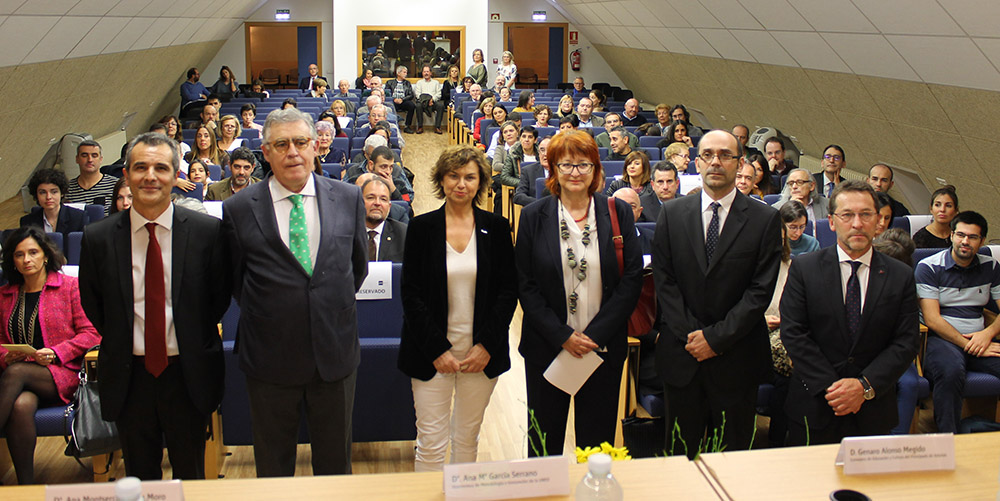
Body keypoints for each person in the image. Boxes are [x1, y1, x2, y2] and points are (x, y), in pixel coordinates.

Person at [222, 107, 368, 477]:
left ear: (316, 146)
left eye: (301, 142)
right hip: (269, 359)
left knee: (335, 465)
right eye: (281, 144)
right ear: (265, 152)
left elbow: (356, 268)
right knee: (273, 466)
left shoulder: (349, 197)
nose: (293, 152)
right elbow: (236, 279)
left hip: (334, 354)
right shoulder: (238, 208)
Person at [79, 132, 229, 480]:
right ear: (127, 175)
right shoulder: (98, 238)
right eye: (141, 167)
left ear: (176, 176)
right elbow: (94, 303)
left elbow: (218, 298)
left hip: (188, 372)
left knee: (190, 473)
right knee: (139, 475)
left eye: (161, 168)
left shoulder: (208, 232)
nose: (150, 176)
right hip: (129, 376)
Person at [652, 129, 781, 458]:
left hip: (735, 358)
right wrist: (693, 336)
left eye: (725, 155)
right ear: (697, 162)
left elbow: (759, 291)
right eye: (708, 154)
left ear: (739, 164)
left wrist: (716, 339)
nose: (716, 162)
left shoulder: (764, 219)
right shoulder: (673, 214)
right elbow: (664, 281)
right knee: (680, 457)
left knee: (732, 459)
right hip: (683, 355)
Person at [516, 130, 643, 457]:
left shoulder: (618, 213)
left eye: (583, 165)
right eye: (566, 165)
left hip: (601, 348)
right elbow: (525, 284)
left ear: (596, 170)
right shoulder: (533, 216)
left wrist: (594, 334)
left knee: (596, 444)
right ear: (553, 171)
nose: (575, 173)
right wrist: (563, 336)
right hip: (548, 347)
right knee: (544, 442)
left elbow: (631, 279)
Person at [399, 145, 516, 471]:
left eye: (469, 177)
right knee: (431, 444)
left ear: (480, 183)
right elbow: (411, 294)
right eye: (453, 176)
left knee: (466, 440)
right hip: (430, 354)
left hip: (481, 354)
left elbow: (508, 292)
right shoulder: (421, 229)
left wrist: (486, 346)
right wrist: (437, 349)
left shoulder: (496, 228)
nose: (461, 184)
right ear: (441, 179)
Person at [780, 180, 919, 444]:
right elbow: (794, 333)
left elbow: (906, 341)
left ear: (879, 221)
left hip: (872, 408)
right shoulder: (804, 269)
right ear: (831, 221)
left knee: (867, 486)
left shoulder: (900, 275)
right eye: (847, 215)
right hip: (815, 403)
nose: (857, 223)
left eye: (866, 214)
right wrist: (834, 388)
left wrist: (863, 387)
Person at [0, 227, 100, 484]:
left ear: (45, 255)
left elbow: (91, 333)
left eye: (33, 252)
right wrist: (6, 356)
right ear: (12, 260)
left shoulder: (69, 287)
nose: (26, 260)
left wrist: (56, 352)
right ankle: (26, 487)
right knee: (21, 406)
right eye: (19, 254)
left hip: (65, 373)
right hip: (20, 378)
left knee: (16, 372)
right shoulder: (5, 295)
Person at [916, 210, 1000, 434]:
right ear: (951, 235)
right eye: (960, 235)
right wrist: (968, 344)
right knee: (951, 370)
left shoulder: (991, 267)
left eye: (972, 237)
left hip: (980, 339)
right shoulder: (929, 267)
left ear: (981, 241)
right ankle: (949, 438)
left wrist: (987, 334)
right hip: (940, 340)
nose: (965, 241)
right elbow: (932, 319)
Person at [21, 169, 87, 238]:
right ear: (36, 195)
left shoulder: (79, 218)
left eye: (54, 192)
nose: (48, 197)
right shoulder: (27, 221)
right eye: (43, 192)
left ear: (62, 193)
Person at [360, 176, 406, 263]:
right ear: (360, 202)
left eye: (383, 199)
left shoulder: (403, 234)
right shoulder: (346, 233)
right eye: (371, 197)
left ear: (389, 206)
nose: (377, 203)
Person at [66, 140, 117, 214]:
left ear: (100, 159)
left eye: (94, 155)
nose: (90, 160)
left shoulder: (115, 185)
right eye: (84, 155)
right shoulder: (68, 188)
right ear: (77, 159)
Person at [772, 168, 829, 234]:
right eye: (791, 183)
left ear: (812, 186)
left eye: (799, 182)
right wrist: (789, 207)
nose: (794, 186)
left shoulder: (827, 204)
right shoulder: (776, 209)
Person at [514, 135, 552, 206]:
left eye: (549, 150)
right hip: (536, 211)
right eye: (542, 150)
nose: (545, 154)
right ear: (539, 152)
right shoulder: (528, 171)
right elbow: (518, 196)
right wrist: (539, 203)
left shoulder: (563, 171)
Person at [413, 65, 445, 134]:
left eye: (427, 71)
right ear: (422, 73)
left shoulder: (436, 83)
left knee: (441, 106)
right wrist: (426, 101)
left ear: (431, 73)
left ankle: (437, 127)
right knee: (418, 106)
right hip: (422, 101)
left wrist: (432, 100)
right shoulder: (419, 83)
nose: (426, 73)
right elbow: (418, 94)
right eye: (424, 72)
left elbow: (439, 94)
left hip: (433, 101)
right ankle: (420, 127)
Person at [385, 66, 417, 134]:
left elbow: (411, 95)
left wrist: (402, 99)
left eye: (406, 72)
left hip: (403, 101)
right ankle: (392, 126)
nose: (406, 74)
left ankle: (407, 126)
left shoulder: (407, 83)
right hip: (393, 101)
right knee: (389, 107)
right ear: (398, 73)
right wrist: (394, 99)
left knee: (411, 105)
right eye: (404, 72)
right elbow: (386, 94)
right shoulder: (389, 82)